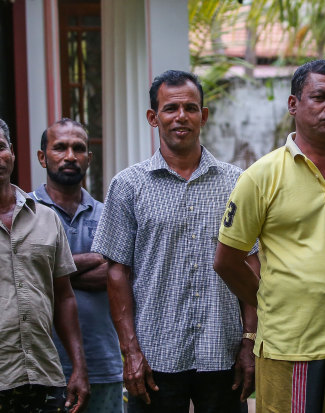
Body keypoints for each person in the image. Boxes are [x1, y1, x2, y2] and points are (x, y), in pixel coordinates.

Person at [214, 59, 325, 413]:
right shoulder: (260, 176)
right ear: (293, 104)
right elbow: (227, 260)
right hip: (288, 342)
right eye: (320, 97)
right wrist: (267, 299)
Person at [91, 70, 258, 413]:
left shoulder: (238, 182)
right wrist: (131, 351)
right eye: (171, 108)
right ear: (154, 117)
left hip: (222, 352)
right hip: (155, 357)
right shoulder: (128, 186)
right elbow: (117, 273)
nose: (181, 116)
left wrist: (249, 342)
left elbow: (251, 265)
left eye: (191, 108)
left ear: (203, 116)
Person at [30, 118, 123, 412]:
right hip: (40, 366)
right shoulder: (25, 212)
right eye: (60, 148)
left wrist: (52, 269)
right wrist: (96, 257)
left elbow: (117, 275)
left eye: (78, 148)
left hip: (103, 363)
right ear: (43, 157)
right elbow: (29, 274)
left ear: (89, 158)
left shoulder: (109, 214)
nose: (70, 156)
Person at [0, 118, 90, 413]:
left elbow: (64, 296)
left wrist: (78, 367)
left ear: (11, 152)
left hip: (43, 376)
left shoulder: (45, 218)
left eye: (0, 147)